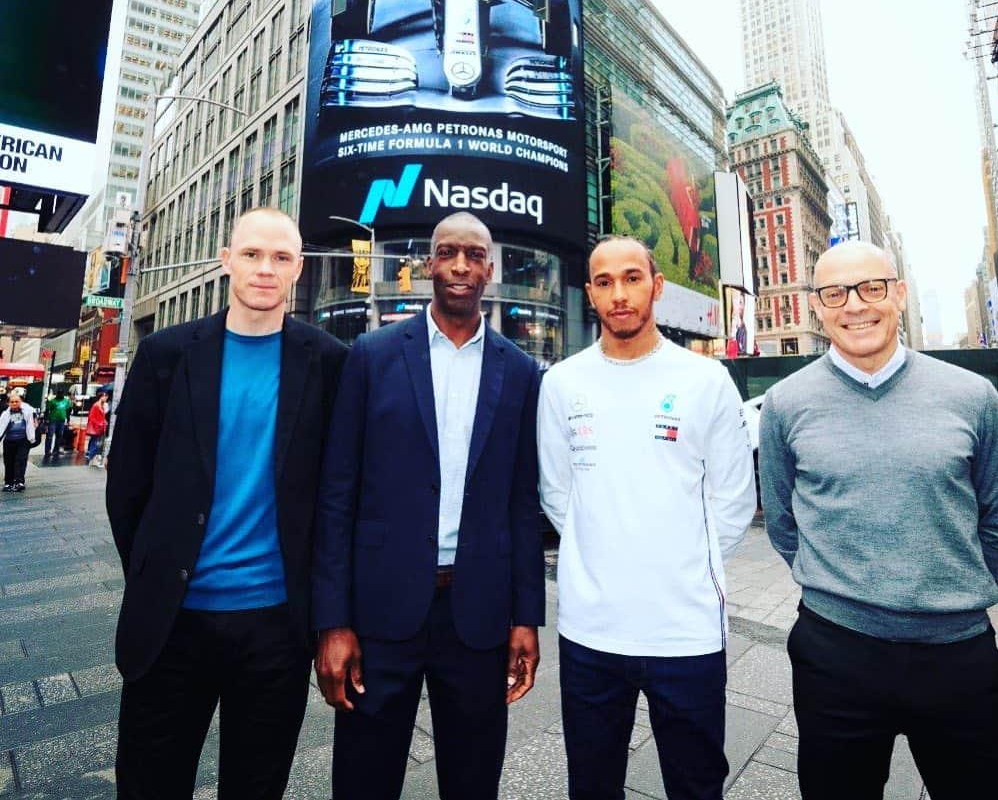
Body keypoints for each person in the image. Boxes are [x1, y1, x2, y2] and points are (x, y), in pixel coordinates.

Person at [758, 240, 998, 800]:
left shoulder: (972, 396)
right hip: (834, 656)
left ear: (899, 294)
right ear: (818, 306)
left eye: (871, 288)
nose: (855, 305)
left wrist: (946, 590)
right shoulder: (785, 405)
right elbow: (784, 524)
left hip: (959, 655)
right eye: (835, 293)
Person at [105, 207, 348, 799]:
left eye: (281, 257)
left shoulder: (329, 362)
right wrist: (155, 573)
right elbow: (127, 485)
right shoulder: (165, 355)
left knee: (256, 787)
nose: (265, 269)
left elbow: (337, 491)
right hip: (173, 623)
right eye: (252, 254)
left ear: (298, 268)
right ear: (226, 261)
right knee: (149, 784)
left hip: (276, 627)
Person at [313, 211, 543, 800]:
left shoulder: (521, 373)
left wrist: (526, 617)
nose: (460, 266)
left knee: (472, 782)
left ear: (490, 268)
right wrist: (333, 622)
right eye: (447, 253)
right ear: (428, 264)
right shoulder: (372, 355)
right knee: (364, 780)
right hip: (379, 615)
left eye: (472, 255)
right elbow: (337, 494)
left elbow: (522, 503)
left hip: (478, 617)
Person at [538, 235, 756, 800]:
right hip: (590, 631)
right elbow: (558, 493)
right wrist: (603, 550)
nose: (619, 295)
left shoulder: (705, 380)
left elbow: (733, 501)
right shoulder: (562, 384)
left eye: (632, 278)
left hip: (686, 633)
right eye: (604, 282)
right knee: (592, 783)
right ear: (589, 294)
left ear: (656, 286)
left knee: (697, 783)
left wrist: (679, 561)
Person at [1, 392, 38, 492]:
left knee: (21, 461)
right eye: (12, 402)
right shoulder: (5, 414)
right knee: (9, 462)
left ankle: (19, 482)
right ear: (8, 403)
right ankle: (9, 482)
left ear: (21, 402)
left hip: (23, 440)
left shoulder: (27, 411)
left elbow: (33, 412)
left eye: (16, 401)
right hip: (9, 441)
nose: (14, 403)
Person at [43, 391, 72, 462]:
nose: (60, 395)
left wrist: (68, 419)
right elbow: (47, 410)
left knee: (59, 435)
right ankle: (47, 451)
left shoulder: (66, 401)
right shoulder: (52, 401)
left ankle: (56, 450)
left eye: (61, 394)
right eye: (59, 394)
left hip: (61, 421)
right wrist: (46, 420)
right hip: (53, 420)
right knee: (50, 436)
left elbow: (68, 410)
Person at [85, 393, 109, 467]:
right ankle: (91, 459)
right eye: (104, 397)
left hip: (100, 428)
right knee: (95, 444)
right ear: (100, 397)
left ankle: (93, 460)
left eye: (106, 397)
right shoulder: (96, 406)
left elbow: (101, 417)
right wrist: (99, 423)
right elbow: (91, 417)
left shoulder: (101, 406)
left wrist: (104, 421)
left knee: (96, 444)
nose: (105, 398)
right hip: (96, 428)